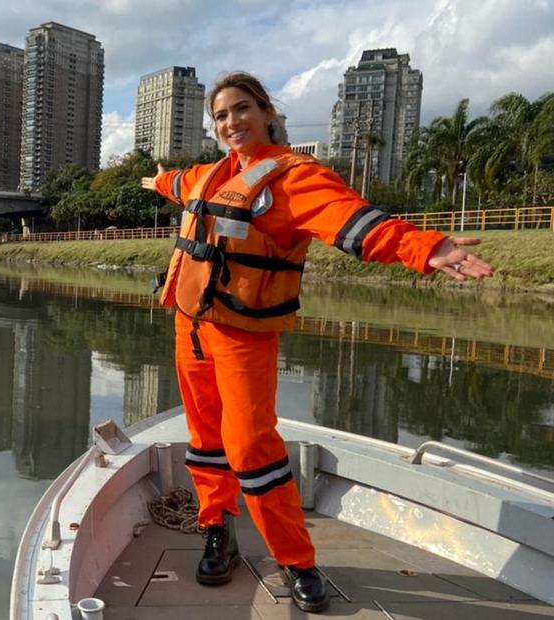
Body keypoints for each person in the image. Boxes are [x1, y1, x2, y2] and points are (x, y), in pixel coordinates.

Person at [140, 72, 493, 613]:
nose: (231, 123)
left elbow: (353, 221)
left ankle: (296, 561)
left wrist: (426, 248)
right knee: (205, 442)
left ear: (265, 112)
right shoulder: (209, 176)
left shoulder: (293, 178)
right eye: (221, 116)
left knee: (253, 450)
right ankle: (218, 531)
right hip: (190, 325)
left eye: (241, 110)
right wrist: (159, 182)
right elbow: (179, 183)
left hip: (242, 336)